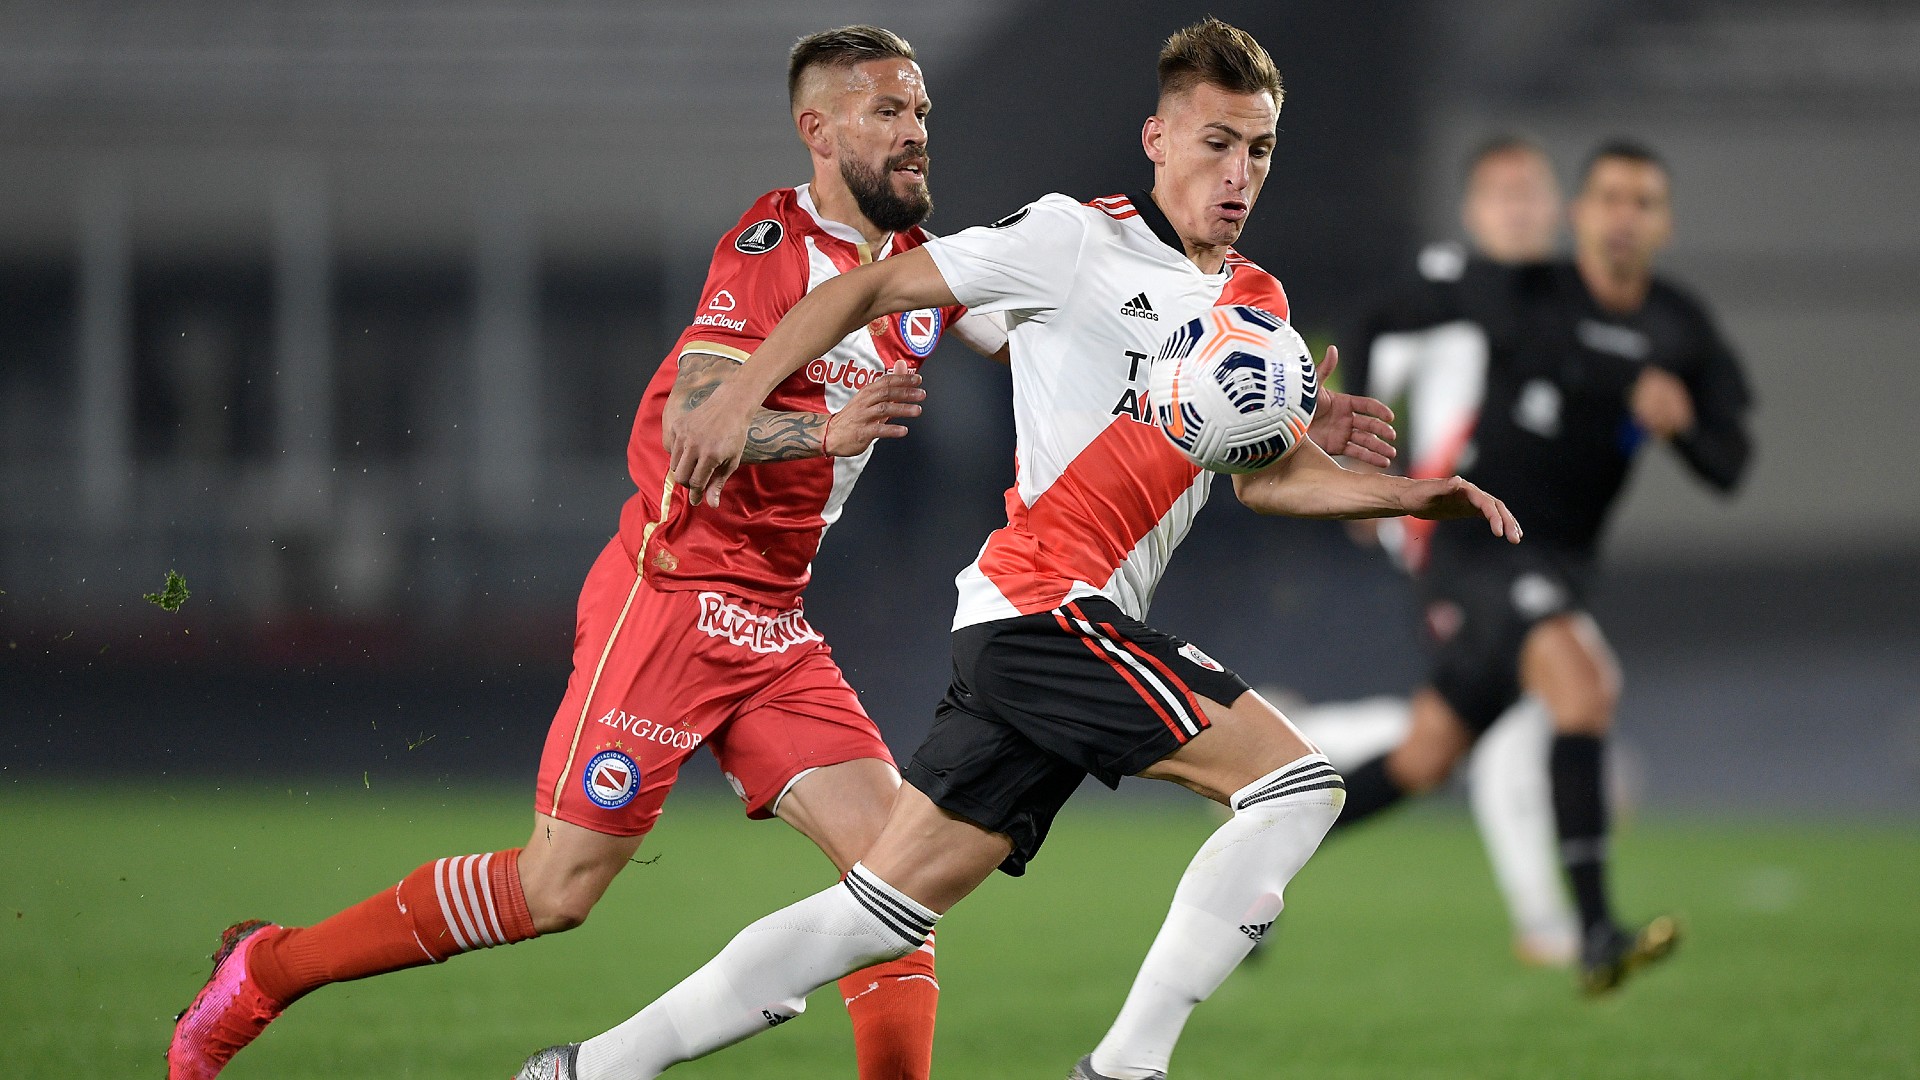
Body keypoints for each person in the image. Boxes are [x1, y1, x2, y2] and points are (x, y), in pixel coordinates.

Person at [514, 18, 1519, 1080]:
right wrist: (745, 395)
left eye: (1259, 149)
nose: (1239, 172)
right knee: (1297, 786)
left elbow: (1267, 481)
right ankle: (1126, 1069)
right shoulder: (1070, 240)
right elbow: (865, 288)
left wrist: (1399, 491)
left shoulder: (1256, 308)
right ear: (1157, 139)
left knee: (876, 915)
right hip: (1049, 606)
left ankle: (589, 1070)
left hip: (1028, 627)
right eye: (1216, 142)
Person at [167, 25, 1013, 1080]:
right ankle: (266, 969)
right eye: (886, 112)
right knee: (553, 891)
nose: (914, 134)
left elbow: (1051, 333)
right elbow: (698, 428)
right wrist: (821, 432)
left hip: (773, 621)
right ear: (818, 129)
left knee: (898, 890)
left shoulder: (919, 273)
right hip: (669, 601)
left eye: (920, 112)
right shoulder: (771, 252)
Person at [1328, 139, 1753, 994]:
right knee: (1584, 682)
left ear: (1663, 222)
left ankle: (1267, 832)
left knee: (1426, 756)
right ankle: (1595, 931)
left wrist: (1683, 429)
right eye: (1609, 198)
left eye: (1643, 201)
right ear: (1579, 214)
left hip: (1559, 562)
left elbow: (1730, 465)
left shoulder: (1680, 324)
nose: (1624, 216)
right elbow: (1374, 318)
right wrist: (1360, 469)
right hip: (1476, 540)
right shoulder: (1521, 290)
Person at [1293, 134, 1581, 967]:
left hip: (1518, 541)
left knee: (1454, 729)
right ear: (1474, 209)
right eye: (1505, 195)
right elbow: (1362, 357)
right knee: (1511, 719)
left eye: (1533, 193)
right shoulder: (1445, 289)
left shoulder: (1559, 301)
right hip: (1450, 532)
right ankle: (1544, 921)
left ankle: (1305, 750)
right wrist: (1353, 470)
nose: (1522, 209)